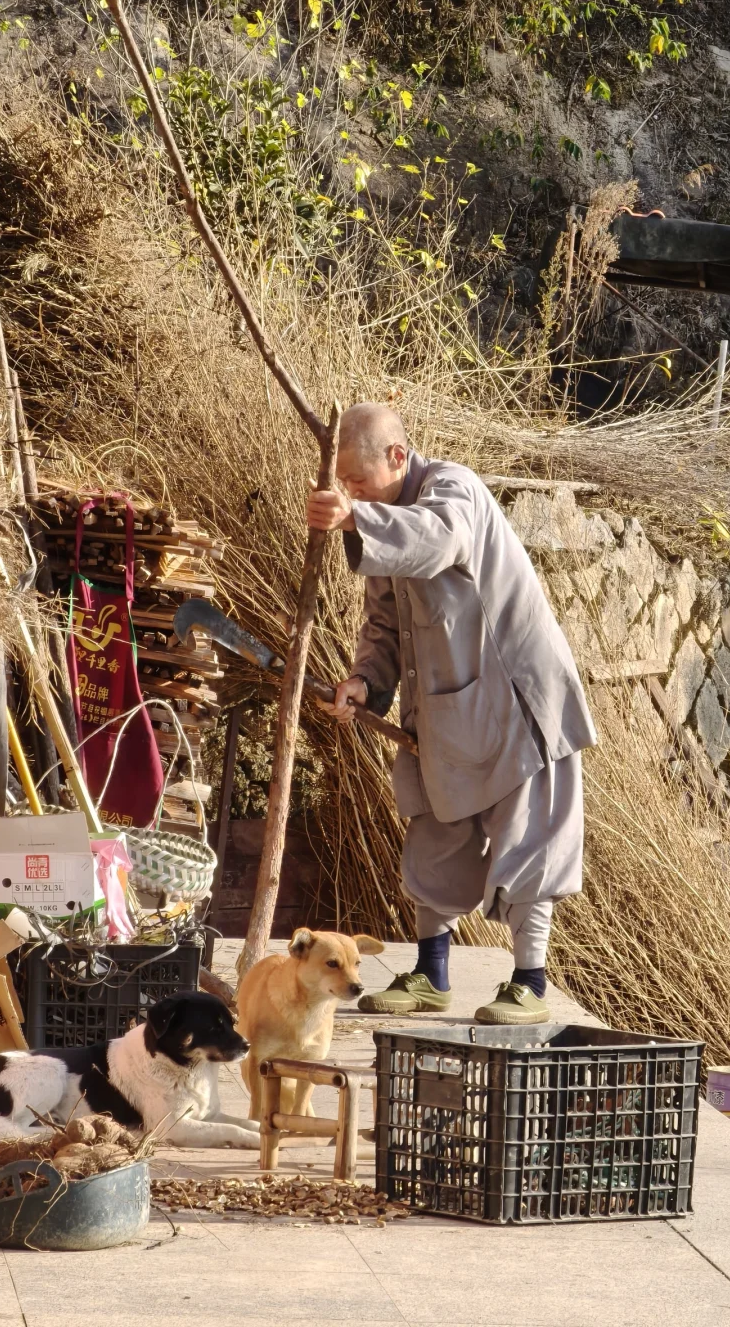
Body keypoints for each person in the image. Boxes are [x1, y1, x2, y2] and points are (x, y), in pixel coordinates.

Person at [306, 403, 596, 1024]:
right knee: (435, 831)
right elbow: (383, 623)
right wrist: (363, 682)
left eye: (358, 480)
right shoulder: (380, 528)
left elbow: (442, 538)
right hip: (447, 712)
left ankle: (531, 983)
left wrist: (358, 513)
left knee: (528, 839)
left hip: (521, 703)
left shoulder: (451, 488)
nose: (351, 492)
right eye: (345, 484)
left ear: (397, 457)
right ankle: (431, 972)